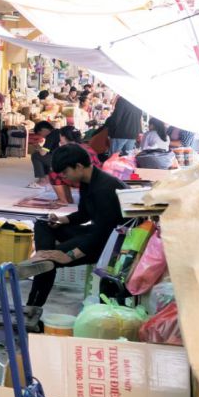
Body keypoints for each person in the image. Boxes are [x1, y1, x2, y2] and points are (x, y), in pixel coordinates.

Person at [21, 144, 125, 308]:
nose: (63, 177)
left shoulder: (105, 188)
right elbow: (84, 215)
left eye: (65, 172)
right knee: (43, 224)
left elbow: (103, 234)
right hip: (95, 234)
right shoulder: (87, 181)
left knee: (50, 261)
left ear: (78, 166)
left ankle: (33, 307)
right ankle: (41, 258)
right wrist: (62, 220)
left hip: (108, 244)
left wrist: (71, 254)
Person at [27, 121, 57, 189]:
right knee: (45, 156)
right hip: (69, 159)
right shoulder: (57, 132)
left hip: (63, 161)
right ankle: (47, 179)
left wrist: (38, 147)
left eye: (40, 133)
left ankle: (43, 181)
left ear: (44, 129)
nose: (41, 136)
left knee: (36, 155)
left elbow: (43, 153)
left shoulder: (51, 135)